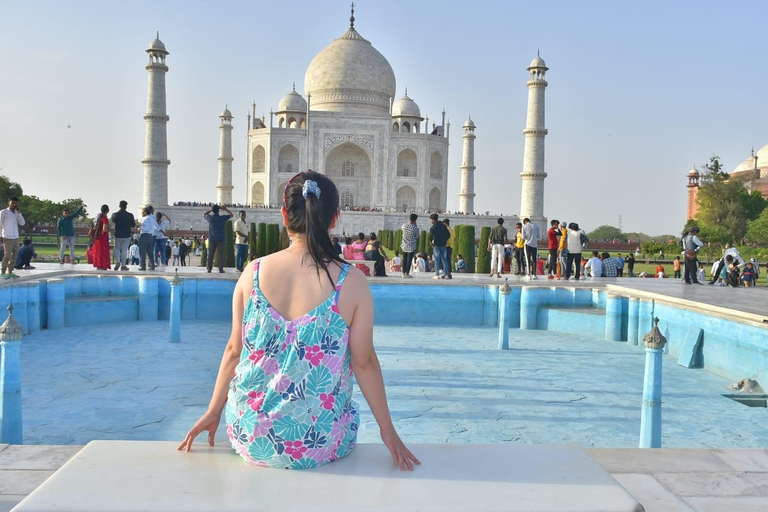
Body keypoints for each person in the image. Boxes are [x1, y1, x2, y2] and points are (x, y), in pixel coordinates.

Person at [178, 170, 419, 471]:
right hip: (318, 441)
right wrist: (388, 430)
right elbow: (364, 362)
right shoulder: (351, 282)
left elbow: (233, 351)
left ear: (284, 215)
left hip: (250, 434)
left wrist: (214, 411)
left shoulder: (252, 273)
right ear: (334, 219)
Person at [0, 197, 25, 279]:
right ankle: (2, 272)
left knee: (15, 255)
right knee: (7, 255)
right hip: (7, 236)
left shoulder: (16, 213)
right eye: (13, 202)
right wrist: (0, 235)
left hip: (15, 237)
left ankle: (10, 271)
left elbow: (22, 223)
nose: (14, 204)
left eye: (16, 203)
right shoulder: (4, 212)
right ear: (9, 203)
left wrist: (19, 212)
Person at [203, 205, 233, 273]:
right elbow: (231, 215)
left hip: (212, 238)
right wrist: (225, 209)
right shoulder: (222, 218)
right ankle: (221, 269)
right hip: (221, 239)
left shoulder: (210, 218)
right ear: (218, 211)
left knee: (211, 254)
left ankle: (209, 268)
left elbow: (205, 214)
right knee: (221, 255)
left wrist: (211, 209)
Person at [110, 200, 135, 271]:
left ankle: (118, 261)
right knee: (124, 250)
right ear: (126, 206)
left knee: (117, 248)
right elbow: (133, 225)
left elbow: (113, 221)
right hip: (127, 234)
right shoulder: (130, 215)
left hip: (118, 233)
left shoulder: (114, 214)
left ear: (119, 206)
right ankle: (123, 265)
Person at [428, 213, 451, 280]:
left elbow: (430, 237)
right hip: (443, 245)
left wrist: (432, 242)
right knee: (445, 260)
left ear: (433, 220)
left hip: (437, 246)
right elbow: (448, 235)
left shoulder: (433, 227)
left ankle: (437, 274)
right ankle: (446, 274)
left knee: (437, 260)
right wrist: (444, 240)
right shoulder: (443, 226)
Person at [138, 205, 159, 271]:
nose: (142, 213)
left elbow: (146, 228)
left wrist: (140, 226)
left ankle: (143, 266)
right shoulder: (151, 218)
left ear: (146, 212)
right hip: (150, 236)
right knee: (150, 252)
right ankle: (152, 265)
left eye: (143, 211)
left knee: (142, 252)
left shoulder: (145, 219)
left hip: (145, 235)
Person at [91, 204, 111, 270]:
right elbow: (104, 229)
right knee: (103, 250)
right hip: (103, 237)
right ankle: (103, 265)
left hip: (97, 237)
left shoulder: (98, 217)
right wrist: (109, 229)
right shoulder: (104, 218)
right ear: (107, 210)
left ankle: (98, 264)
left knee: (98, 250)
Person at [400, 213, 419, 278]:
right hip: (411, 246)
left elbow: (402, 228)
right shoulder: (415, 228)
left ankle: (403, 273)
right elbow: (417, 236)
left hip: (404, 245)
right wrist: (415, 226)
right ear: (415, 220)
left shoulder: (404, 226)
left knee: (404, 259)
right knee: (409, 260)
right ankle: (407, 273)